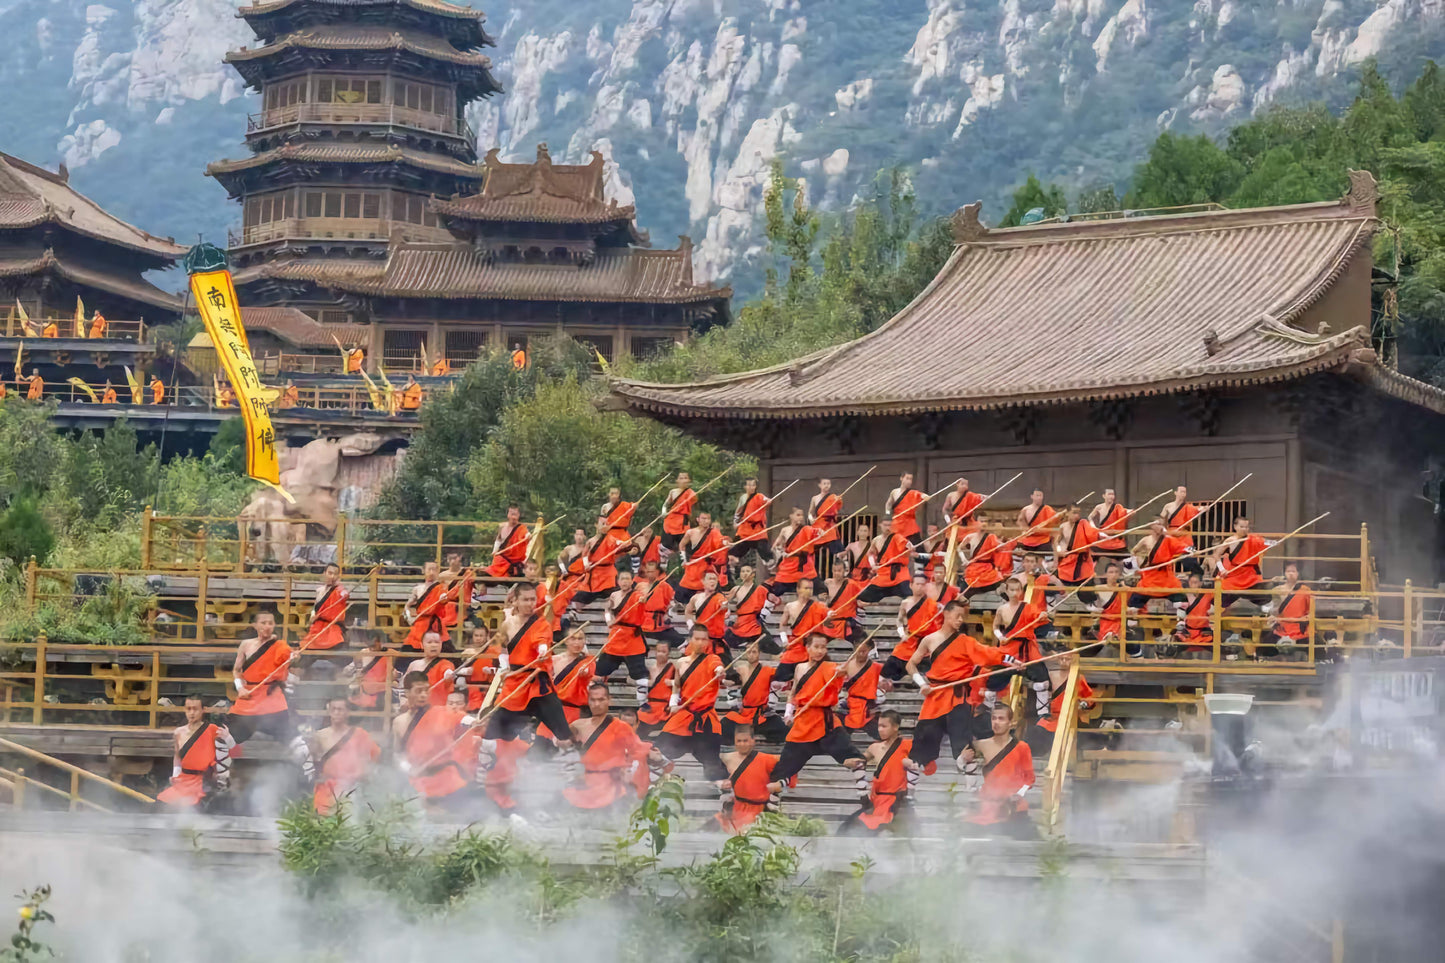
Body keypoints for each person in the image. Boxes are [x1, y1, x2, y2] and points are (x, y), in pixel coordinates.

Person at [906, 600, 1009, 772]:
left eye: (963, 617)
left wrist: (1010, 660)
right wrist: (922, 683)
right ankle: (915, 774)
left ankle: (966, 767)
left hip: (958, 694)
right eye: (957, 616)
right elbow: (910, 665)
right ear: (946, 614)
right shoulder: (929, 640)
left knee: (962, 734)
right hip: (936, 694)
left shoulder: (965, 641)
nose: (961, 620)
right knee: (926, 733)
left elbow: (987, 653)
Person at [767, 634, 866, 791]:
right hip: (803, 722)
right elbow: (793, 693)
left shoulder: (830, 667)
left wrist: (844, 669)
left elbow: (847, 669)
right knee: (783, 770)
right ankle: (770, 806)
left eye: (823, 647)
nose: (820, 651)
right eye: (817, 647)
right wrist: (788, 713)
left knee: (854, 758)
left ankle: (865, 798)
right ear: (808, 648)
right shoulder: (800, 668)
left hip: (824, 720)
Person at [491, 583, 574, 750]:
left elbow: (542, 639)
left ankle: (574, 764)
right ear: (515, 601)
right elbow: (502, 648)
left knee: (563, 732)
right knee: (495, 733)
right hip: (515, 682)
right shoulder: (507, 624)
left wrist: (542, 649)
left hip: (537, 682)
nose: (530, 604)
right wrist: (504, 667)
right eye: (525, 600)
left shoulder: (541, 622)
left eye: (532, 599)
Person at [562, 683, 661, 810]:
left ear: (609, 700)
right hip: (587, 782)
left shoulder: (621, 727)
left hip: (612, 785)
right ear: (588, 701)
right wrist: (560, 741)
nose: (597, 704)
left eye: (601, 700)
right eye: (593, 700)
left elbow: (638, 748)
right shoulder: (578, 725)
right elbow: (562, 740)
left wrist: (653, 754)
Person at [655, 625, 728, 781]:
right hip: (684, 715)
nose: (701, 643)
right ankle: (654, 783)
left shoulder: (712, 659)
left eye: (704, 639)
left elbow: (718, 668)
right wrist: (674, 704)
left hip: (706, 717)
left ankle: (724, 791)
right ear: (690, 640)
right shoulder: (680, 662)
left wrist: (720, 672)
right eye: (697, 639)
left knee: (712, 762)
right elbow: (677, 686)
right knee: (659, 750)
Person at [392, 672, 471, 808]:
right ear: (407, 692)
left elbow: (459, 718)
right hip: (415, 778)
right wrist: (407, 768)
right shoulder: (399, 722)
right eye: (418, 691)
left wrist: (471, 721)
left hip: (443, 778)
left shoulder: (440, 713)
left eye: (426, 690)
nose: (423, 695)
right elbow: (397, 753)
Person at [961, 704, 1036, 839]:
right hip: (986, 802)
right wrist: (963, 759)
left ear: (1011, 723)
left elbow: (1029, 780)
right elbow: (962, 766)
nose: (996, 722)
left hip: (1012, 804)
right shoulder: (980, 745)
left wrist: (1018, 794)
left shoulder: (1022, 747)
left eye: (1001, 719)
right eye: (994, 719)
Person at [839, 710, 917, 834]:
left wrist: (910, 762)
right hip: (876, 801)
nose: (880, 730)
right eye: (879, 726)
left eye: (884, 726)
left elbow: (920, 764)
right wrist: (847, 762)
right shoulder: (874, 747)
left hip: (897, 802)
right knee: (846, 830)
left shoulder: (909, 745)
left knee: (912, 835)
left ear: (895, 727)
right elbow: (859, 760)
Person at [302, 697, 380, 814]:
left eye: (340, 709)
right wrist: (309, 743)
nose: (336, 713)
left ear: (347, 712)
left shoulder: (359, 734)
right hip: (326, 789)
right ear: (329, 711)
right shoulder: (320, 736)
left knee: (349, 825)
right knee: (323, 826)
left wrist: (359, 774)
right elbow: (313, 760)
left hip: (351, 788)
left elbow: (374, 757)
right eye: (333, 709)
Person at [227, 611, 294, 747]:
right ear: (255, 625)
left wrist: (293, 657)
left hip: (271, 695)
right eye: (263, 623)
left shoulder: (280, 645)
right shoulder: (246, 644)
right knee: (227, 733)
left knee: (290, 736)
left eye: (270, 623)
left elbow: (289, 660)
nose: (267, 626)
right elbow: (237, 670)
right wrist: (240, 688)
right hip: (249, 694)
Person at [991, 577, 1054, 718]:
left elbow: (1038, 616)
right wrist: (1000, 636)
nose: (1015, 593)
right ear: (1006, 591)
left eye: (1017, 590)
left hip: (1028, 649)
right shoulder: (1001, 609)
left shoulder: (1027, 607)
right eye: (1012, 590)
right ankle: (989, 709)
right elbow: (995, 627)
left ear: (1021, 591)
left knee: (1042, 680)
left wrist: (1042, 615)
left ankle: (1043, 712)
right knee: (992, 677)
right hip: (1008, 647)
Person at [157, 694, 233, 808]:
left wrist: (227, 738)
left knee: (198, 806)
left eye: (195, 709)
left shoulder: (212, 729)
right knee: (161, 802)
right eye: (188, 709)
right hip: (184, 779)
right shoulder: (178, 732)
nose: (192, 713)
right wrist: (175, 775)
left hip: (203, 780)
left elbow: (230, 745)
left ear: (203, 710)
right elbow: (177, 756)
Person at [714, 724, 791, 833]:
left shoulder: (767, 759)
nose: (742, 744)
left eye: (745, 741)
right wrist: (720, 783)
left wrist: (779, 784)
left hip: (760, 811)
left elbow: (789, 772)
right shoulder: (726, 758)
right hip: (736, 809)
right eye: (739, 741)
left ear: (752, 741)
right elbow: (712, 773)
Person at [598, 568, 651, 702]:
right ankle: (598, 697)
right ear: (618, 581)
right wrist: (608, 620)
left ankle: (643, 702)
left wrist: (643, 598)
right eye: (622, 579)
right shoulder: (614, 595)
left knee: (640, 675)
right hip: (616, 636)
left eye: (628, 578)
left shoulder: (636, 595)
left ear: (632, 580)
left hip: (633, 638)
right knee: (599, 670)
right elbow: (608, 609)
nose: (625, 581)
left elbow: (643, 597)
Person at [539, 628, 594, 743]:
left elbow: (589, 674)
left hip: (575, 711)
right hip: (554, 710)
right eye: (573, 638)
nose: (577, 642)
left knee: (571, 747)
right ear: (566, 641)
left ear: (584, 641)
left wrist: (585, 673)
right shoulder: (554, 660)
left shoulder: (588, 661)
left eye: (580, 639)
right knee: (542, 744)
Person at [722, 642, 783, 743]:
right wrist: (722, 677)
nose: (751, 654)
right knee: (724, 725)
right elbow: (730, 680)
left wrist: (783, 660)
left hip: (762, 714)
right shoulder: (740, 670)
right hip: (744, 714)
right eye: (749, 652)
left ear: (759, 653)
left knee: (782, 729)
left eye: (754, 652)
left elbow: (783, 675)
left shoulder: (767, 670)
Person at [884, 574, 940, 683]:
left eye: (922, 584)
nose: (920, 587)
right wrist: (902, 634)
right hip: (910, 640)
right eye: (917, 584)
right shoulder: (905, 603)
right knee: (890, 667)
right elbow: (899, 621)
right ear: (911, 585)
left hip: (926, 644)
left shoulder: (933, 604)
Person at [775, 578, 829, 684]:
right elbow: (782, 625)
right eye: (806, 588)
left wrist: (830, 615)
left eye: (811, 588)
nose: (809, 591)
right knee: (781, 673)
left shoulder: (819, 606)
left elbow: (829, 617)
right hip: (796, 645)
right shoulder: (790, 606)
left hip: (813, 645)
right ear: (798, 589)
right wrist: (784, 640)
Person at [1212, 516, 1274, 605]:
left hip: (1250, 574)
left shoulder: (1253, 539)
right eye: (1242, 527)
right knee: (1221, 598)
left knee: (1265, 596)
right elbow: (1216, 555)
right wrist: (1222, 569)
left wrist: (1272, 543)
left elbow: (1264, 542)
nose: (1245, 529)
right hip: (1235, 574)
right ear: (1235, 527)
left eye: (1246, 527)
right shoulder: (1230, 540)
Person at [1086, 560, 1143, 657]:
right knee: (1090, 644)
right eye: (1111, 572)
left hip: (1121, 621)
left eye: (1116, 572)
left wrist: (1131, 609)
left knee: (1134, 645)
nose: (1114, 575)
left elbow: (1135, 603)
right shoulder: (1098, 589)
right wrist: (1094, 609)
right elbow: (1089, 603)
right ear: (1105, 575)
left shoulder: (1124, 588)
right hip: (1106, 621)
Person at [1130, 519, 1190, 610]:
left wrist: (1192, 550)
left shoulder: (1169, 540)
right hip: (1150, 576)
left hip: (1166, 576)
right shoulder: (1146, 540)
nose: (1160, 527)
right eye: (1158, 524)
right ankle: (1131, 622)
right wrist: (1137, 565)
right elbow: (1133, 552)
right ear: (1152, 526)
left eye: (1162, 524)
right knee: (1134, 600)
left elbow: (1184, 547)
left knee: (1181, 598)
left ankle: (1181, 622)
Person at [1259, 561, 1313, 660]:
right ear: (1284, 573)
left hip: (1299, 629)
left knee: (1316, 644)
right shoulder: (1276, 590)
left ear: (1298, 573)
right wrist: (1271, 617)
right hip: (1281, 628)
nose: (1291, 574)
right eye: (1288, 571)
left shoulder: (1306, 590)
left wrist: (1308, 617)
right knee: (1265, 644)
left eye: (1293, 571)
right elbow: (1271, 609)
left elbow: (1311, 610)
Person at [858, 518, 913, 603]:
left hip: (899, 575)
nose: (888, 527)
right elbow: (871, 554)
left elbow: (906, 545)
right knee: (862, 597)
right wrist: (873, 565)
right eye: (885, 525)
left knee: (909, 596)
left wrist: (909, 546)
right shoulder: (876, 540)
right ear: (880, 525)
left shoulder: (897, 536)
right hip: (883, 575)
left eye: (889, 525)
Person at [767, 507, 819, 597]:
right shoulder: (785, 530)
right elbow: (776, 546)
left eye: (802, 515)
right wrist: (781, 552)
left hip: (802, 565)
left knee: (816, 588)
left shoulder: (805, 529)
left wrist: (819, 532)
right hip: (788, 564)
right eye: (798, 515)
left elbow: (814, 532)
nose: (801, 517)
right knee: (776, 590)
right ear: (791, 516)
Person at [837, 642, 884, 739]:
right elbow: (835, 682)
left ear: (869, 651)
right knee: (841, 735)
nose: (861, 654)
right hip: (851, 705)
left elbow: (886, 680)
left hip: (868, 705)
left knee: (881, 733)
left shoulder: (876, 667)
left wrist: (885, 684)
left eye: (864, 651)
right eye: (859, 651)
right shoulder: (846, 666)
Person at [724, 563, 773, 654]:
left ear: (752, 574)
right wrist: (727, 611)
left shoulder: (760, 589)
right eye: (743, 571)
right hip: (740, 623)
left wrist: (764, 614)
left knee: (767, 641)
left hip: (754, 622)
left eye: (747, 571)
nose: (745, 573)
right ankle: (743, 643)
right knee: (726, 639)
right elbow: (724, 601)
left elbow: (772, 601)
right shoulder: (736, 589)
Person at [675, 511, 726, 597]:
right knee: (684, 589)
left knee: (712, 587)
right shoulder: (690, 532)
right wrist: (683, 558)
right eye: (704, 518)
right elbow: (682, 545)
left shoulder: (714, 532)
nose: (706, 521)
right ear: (698, 519)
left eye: (708, 519)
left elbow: (719, 541)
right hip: (694, 565)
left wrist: (725, 542)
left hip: (707, 566)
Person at [958, 516, 1010, 599]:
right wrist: (964, 559)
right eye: (981, 521)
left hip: (988, 569)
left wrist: (1004, 544)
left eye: (986, 521)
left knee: (1001, 585)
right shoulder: (970, 537)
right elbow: (959, 548)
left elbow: (999, 547)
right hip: (974, 568)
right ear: (976, 522)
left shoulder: (991, 537)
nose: (984, 523)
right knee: (965, 590)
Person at [729, 477, 775, 569]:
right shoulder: (743, 498)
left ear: (755, 486)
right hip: (745, 528)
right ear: (745, 486)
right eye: (748, 485)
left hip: (757, 529)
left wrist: (768, 501)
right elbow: (738, 512)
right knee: (737, 549)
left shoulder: (759, 496)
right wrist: (735, 522)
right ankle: (732, 564)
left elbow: (766, 500)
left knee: (763, 547)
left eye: (753, 485)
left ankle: (769, 561)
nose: (750, 487)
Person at [302, 563, 349, 652]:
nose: (332, 576)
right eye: (330, 573)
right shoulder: (320, 591)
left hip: (332, 627)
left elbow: (343, 594)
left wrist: (344, 594)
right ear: (325, 573)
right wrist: (313, 615)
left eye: (335, 574)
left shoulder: (338, 590)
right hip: (317, 626)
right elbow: (316, 607)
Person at [402, 632, 459, 707]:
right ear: (422, 645)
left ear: (441, 645)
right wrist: (404, 701)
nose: (434, 645)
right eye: (429, 642)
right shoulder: (414, 664)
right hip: (414, 707)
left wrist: (448, 675)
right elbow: (404, 687)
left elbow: (448, 672)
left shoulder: (446, 664)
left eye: (437, 642)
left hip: (436, 708)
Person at [637, 559, 684, 647]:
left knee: (681, 640)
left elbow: (673, 601)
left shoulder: (663, 586)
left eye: (652, 571)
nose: (649, 573)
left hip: (658, 625)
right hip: (642, 624)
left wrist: (669, 613)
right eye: (647, 571)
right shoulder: (640, 586)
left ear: (657, 572)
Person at [683, 569, 729, 656]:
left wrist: (724, 606)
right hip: (700, 639)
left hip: (715, 642)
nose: (712, 582)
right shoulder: (696, 598)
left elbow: (723, 605)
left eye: (714, 579)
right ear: (703, 581)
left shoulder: (719, 598)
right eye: (709, 579)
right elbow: (688, 612)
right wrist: (690, 625)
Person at [635, 640, 676, 737]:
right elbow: (632, 680)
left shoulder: (674, 668)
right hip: (650, 707)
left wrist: (672, 682)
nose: (661, 654)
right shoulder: (649, 669)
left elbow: (682, 685)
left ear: (669, 653)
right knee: (637, 723)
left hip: (666, 708)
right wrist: (646, 682)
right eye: (659, 651)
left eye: (663, 651)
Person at [1161, 485, 1203, 576]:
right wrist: (1165, 532)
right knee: (1166, 556)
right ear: (1175, 493)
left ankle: (1196, 575)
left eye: (1185, 492)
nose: (1183, 494)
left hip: (1185, 536)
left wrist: (1203, 509)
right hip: (1172, 534)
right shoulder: (1168, 506)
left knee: (1191, 555)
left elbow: (1198, 509)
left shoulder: (1188, 507)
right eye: (1181, 491)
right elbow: (1161, 521)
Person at [403, 561, 448, 648]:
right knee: (409, 648)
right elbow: (408, 605)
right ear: (423, 571)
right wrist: (409, 616)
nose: (431, 572)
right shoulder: (417, 589)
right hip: (420, 623)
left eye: (434, 570)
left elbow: (444, 602)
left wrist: (443, 598)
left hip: (436, 624)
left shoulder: (442, 587)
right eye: (429, 569)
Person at [1054, 503, 1099, 588]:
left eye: (1078, 513)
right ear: (1067, 513)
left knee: (1087, 589)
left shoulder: (1083, 524)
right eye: (1074, 512)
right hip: (1067, 560)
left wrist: (1097, 532)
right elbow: (1056, 542)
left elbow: (1092, 535)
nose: (1077, 515)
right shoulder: (1063, 526)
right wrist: (1059, 551)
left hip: (1082, 560)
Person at [1172, 572, 1214, 658]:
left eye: (1195, 582)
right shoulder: (1185, 596)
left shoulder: (1208, 594)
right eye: (1191, 583)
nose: (1193, 585)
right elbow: (1180, 615)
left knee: (1217, 644)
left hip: (1204, 631)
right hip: (1189, 631)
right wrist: (1180, 626)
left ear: (1200, 583)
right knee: (1175, 644)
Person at [807, 478, 844, 576]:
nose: (826, 485)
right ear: (819, 485)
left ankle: (841, 569)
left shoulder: (833, 497)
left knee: (838, 549)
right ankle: (812, 572)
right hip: (818, 525)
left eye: (828, 483)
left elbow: (838, 508)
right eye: (824, 483)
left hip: (829, 526)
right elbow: (810, 512)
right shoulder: (815, 498)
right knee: (811, 549)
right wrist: (811, 518)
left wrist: (837, 501)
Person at [658, 471, 695, 566]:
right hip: (671, 519)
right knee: (667, 543)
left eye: (685, 478)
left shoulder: (691, 493)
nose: (683, 480)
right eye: (681, 478)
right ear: (677, 480)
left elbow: (692, 505)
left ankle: (684, 561)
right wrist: (664, 511)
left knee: (684, 542)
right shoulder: (673, 492)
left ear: (689, 480)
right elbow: (666, 504)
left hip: (683, 520)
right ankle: (664, 562)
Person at [885, 471, 926, 546]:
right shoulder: (894, 492)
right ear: (901, 478)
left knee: (917, 546)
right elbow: (888, 504)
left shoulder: (912, 493)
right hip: (897, 523)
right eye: (907, 478)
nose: (909, 481)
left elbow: (920, 495)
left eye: (911, 479)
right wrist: (887, 515)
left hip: (910, 524)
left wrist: (925, 496)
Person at [1090, 489, 1130, 558]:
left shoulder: (1118, 508)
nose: (1111, 496)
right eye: (1109, 494)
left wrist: (1130, 512)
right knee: (1090, 553)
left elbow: (1125, 512)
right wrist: (1095, 528)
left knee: (1128, 559)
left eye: (1113, 494)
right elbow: (1090, 517)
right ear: (1104, 496)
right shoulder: (1099, 507)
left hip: (1116, 540)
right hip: (1103, 538)